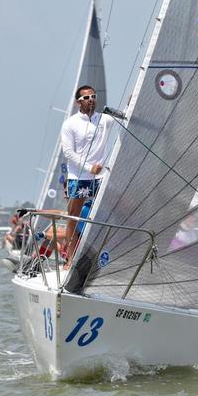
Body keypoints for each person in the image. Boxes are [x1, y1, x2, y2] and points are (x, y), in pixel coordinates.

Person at [60, 85, 116, 269]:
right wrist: (89, 167)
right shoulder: (70, 123)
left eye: (93, 96)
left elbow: (130, 115)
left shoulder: (105, 120)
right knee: (73, 218)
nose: (91, 99)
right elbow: (68, 153)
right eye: (86, 97)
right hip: (79, 176)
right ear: (78, 102)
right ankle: (69, 259)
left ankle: (106, 258)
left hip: (101, 177)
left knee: (111, 213)